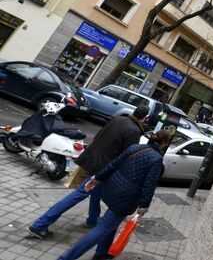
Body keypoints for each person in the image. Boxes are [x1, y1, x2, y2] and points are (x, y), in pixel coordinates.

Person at [28, 105, 150, 239]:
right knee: (79, 193)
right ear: (145, 118)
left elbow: (100, 136)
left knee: (96, 192)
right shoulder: (134, 131)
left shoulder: (118, 119)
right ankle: (39, 225)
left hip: (92, 159)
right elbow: (127, 155)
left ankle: (92, 220)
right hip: (102, 168)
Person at [58, 130, 171, 260]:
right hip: (126, 199)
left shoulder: (135, 148)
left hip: (112, 188)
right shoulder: (156, 160)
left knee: (111, 225)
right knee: (102, 228)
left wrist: (96, 179)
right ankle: (65, 258)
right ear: (163, 143)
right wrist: (143, 206)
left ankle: (102, 254)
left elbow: (113, 165)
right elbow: (149, 185)